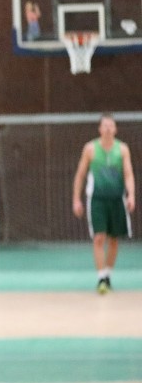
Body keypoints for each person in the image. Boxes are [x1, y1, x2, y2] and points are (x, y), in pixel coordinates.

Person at [72, 113, 136, 294]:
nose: (108, 128)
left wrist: (131, 195)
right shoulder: (90, 149)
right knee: (99, 237)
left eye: (111, 125)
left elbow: (128, 174)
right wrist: (76, 199)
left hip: (117, 199)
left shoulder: (122, 149)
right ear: (100, 129)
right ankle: (100, 277)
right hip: (97, 199)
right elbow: (80, 175)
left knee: (114, 239)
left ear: (115, 129)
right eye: (105, 125)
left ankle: (108, 275)